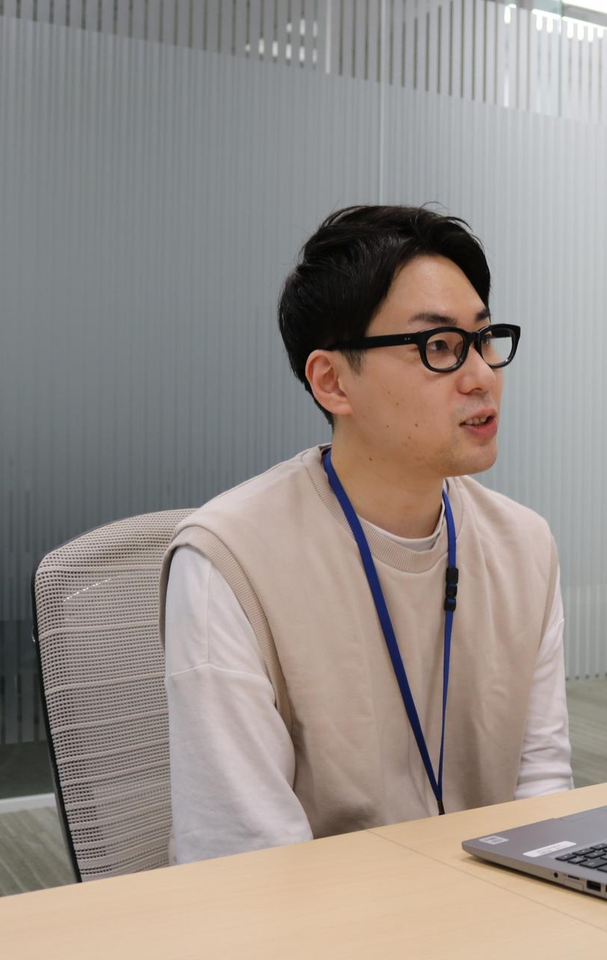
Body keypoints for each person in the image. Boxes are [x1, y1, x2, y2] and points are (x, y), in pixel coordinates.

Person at [160, 205, 572, 864]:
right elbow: (247, 862)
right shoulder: (229, 562)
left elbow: (543, 788)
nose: (482, 375)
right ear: (332, 382)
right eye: (440, 347)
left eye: (485, 338)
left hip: (498, 907)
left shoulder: (524, 544)